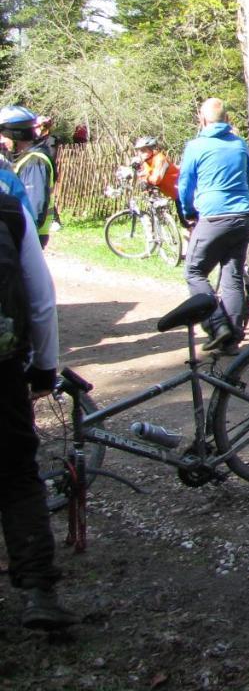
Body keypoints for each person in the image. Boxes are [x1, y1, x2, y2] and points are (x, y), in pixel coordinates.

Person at [0, 191, 78, 630]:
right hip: (3, 370)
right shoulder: (9, 210)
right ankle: (38, 591)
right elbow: (42, 300)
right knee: (16, 478)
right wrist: (45, 369)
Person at [177, 98, 249, 354]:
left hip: (213, 216)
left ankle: (216, 323)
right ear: (227, 120)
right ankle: (231, 340)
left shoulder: (196, 146)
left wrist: (188, 212)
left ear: (202, 119)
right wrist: (247, 200)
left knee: (194, 271)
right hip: (241, 217)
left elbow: (185, 184)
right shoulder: (239, 144)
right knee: (232, 276)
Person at [0, 106, 56, 249]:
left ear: (16, 135)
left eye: (3, 137)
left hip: (30, 236)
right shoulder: (25, 159)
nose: (2, 142)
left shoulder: (35, 162)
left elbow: (33, 209)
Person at [132, 136, 181, 219]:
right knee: (187, 223)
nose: (140, 153)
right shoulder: (146, 163)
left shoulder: (160, 159)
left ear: (152, 149)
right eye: (139, 151)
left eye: (143, 150)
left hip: (183, 190)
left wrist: (145, 176)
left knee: (190, 222)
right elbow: (145, 179)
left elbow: (155, 180)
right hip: (174, 194)